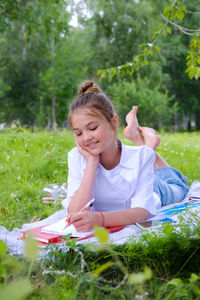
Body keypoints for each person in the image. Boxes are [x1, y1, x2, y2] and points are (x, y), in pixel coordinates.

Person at [62, 81, 188, 232]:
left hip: (154, 189)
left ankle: (148, 144)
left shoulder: (140, 157)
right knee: (145, 157)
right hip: (132, 179)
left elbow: (142, 212)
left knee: (179, 186)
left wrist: (99, 219)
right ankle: (140, 140)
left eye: (93, 128)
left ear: (114, 122)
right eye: (78, 133)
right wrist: (91, 163)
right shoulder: (77, 157)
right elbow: (75, 212)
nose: (86, 137)